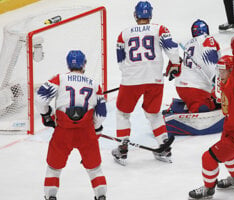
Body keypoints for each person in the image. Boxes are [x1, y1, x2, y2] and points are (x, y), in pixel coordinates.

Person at [188, 38, 234, 199]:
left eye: (224, 70)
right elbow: (220, 94)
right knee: (229, 154)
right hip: (233, 128)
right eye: (219, 70)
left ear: (232, 70)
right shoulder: (226, 82)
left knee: (208, 157)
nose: (220, 73)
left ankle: (208, 189)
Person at [112, 1, 181, 165]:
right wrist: (176, 64)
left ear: (135, 15)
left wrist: (131, 74)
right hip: (155, 80)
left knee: (122, 113)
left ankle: (122, 148)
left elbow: (121, 61)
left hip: (131, 80)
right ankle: (164, 146)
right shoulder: (160, 29)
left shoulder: (124, 34)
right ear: (150, 15)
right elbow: (172, 49)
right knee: (154, 114)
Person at [35, 50, 107, 200]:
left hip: (63, 132)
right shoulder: (94, 85)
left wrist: (46, 114)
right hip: (86, 133)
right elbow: (101, 114)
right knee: (95, 169)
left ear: (68, 64)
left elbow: (41, 98)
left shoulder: (59, 79)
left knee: (54, 168)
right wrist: (96, 128)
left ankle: (50, 196)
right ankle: (101, 196)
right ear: (84, 64)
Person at [174, 19, 221, 113]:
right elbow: (212, 65)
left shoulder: (188, 43)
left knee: (214, 101)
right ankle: (192, 107)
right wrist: (220, 85)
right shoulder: (208, 39)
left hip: (181, 86)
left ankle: (181, 106)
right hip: (195, 89)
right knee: (206, 108)